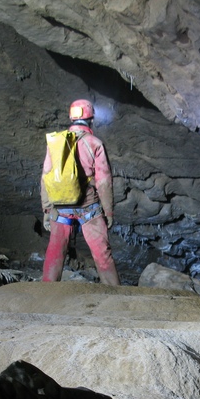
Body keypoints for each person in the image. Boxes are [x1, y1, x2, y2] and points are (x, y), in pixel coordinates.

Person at [40, 99, 120, 286]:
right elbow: (104, 182)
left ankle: (46, 292)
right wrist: (108, 212)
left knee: (55, 251)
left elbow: (46, 177)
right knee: (102, 253)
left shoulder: (56, 143)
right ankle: (115, 293)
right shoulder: (95, 143)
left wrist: (46, 210)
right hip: (88, 207)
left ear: (71, 118)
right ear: (91, 120)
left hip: (61, 207)